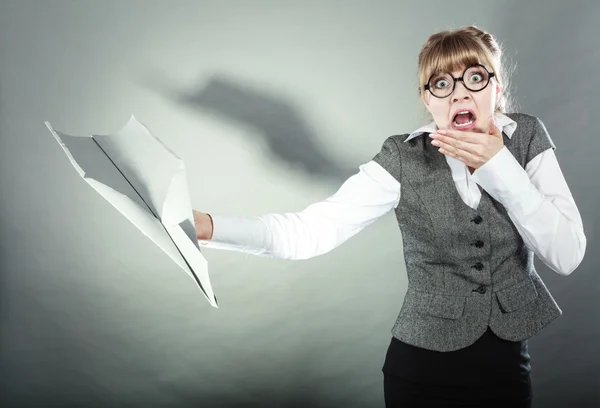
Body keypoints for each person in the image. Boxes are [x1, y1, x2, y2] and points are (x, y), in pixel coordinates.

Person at [192, 26, 586, 408]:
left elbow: (566, 254)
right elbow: (308, 232)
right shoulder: (402, 157)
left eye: (474, 78)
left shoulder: (528, 137)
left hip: (505, 372)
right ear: (427, 99)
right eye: (441, 84)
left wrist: (499, 166)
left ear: (496, 87)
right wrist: (206, 227)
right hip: (421, 374)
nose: (459, 93)